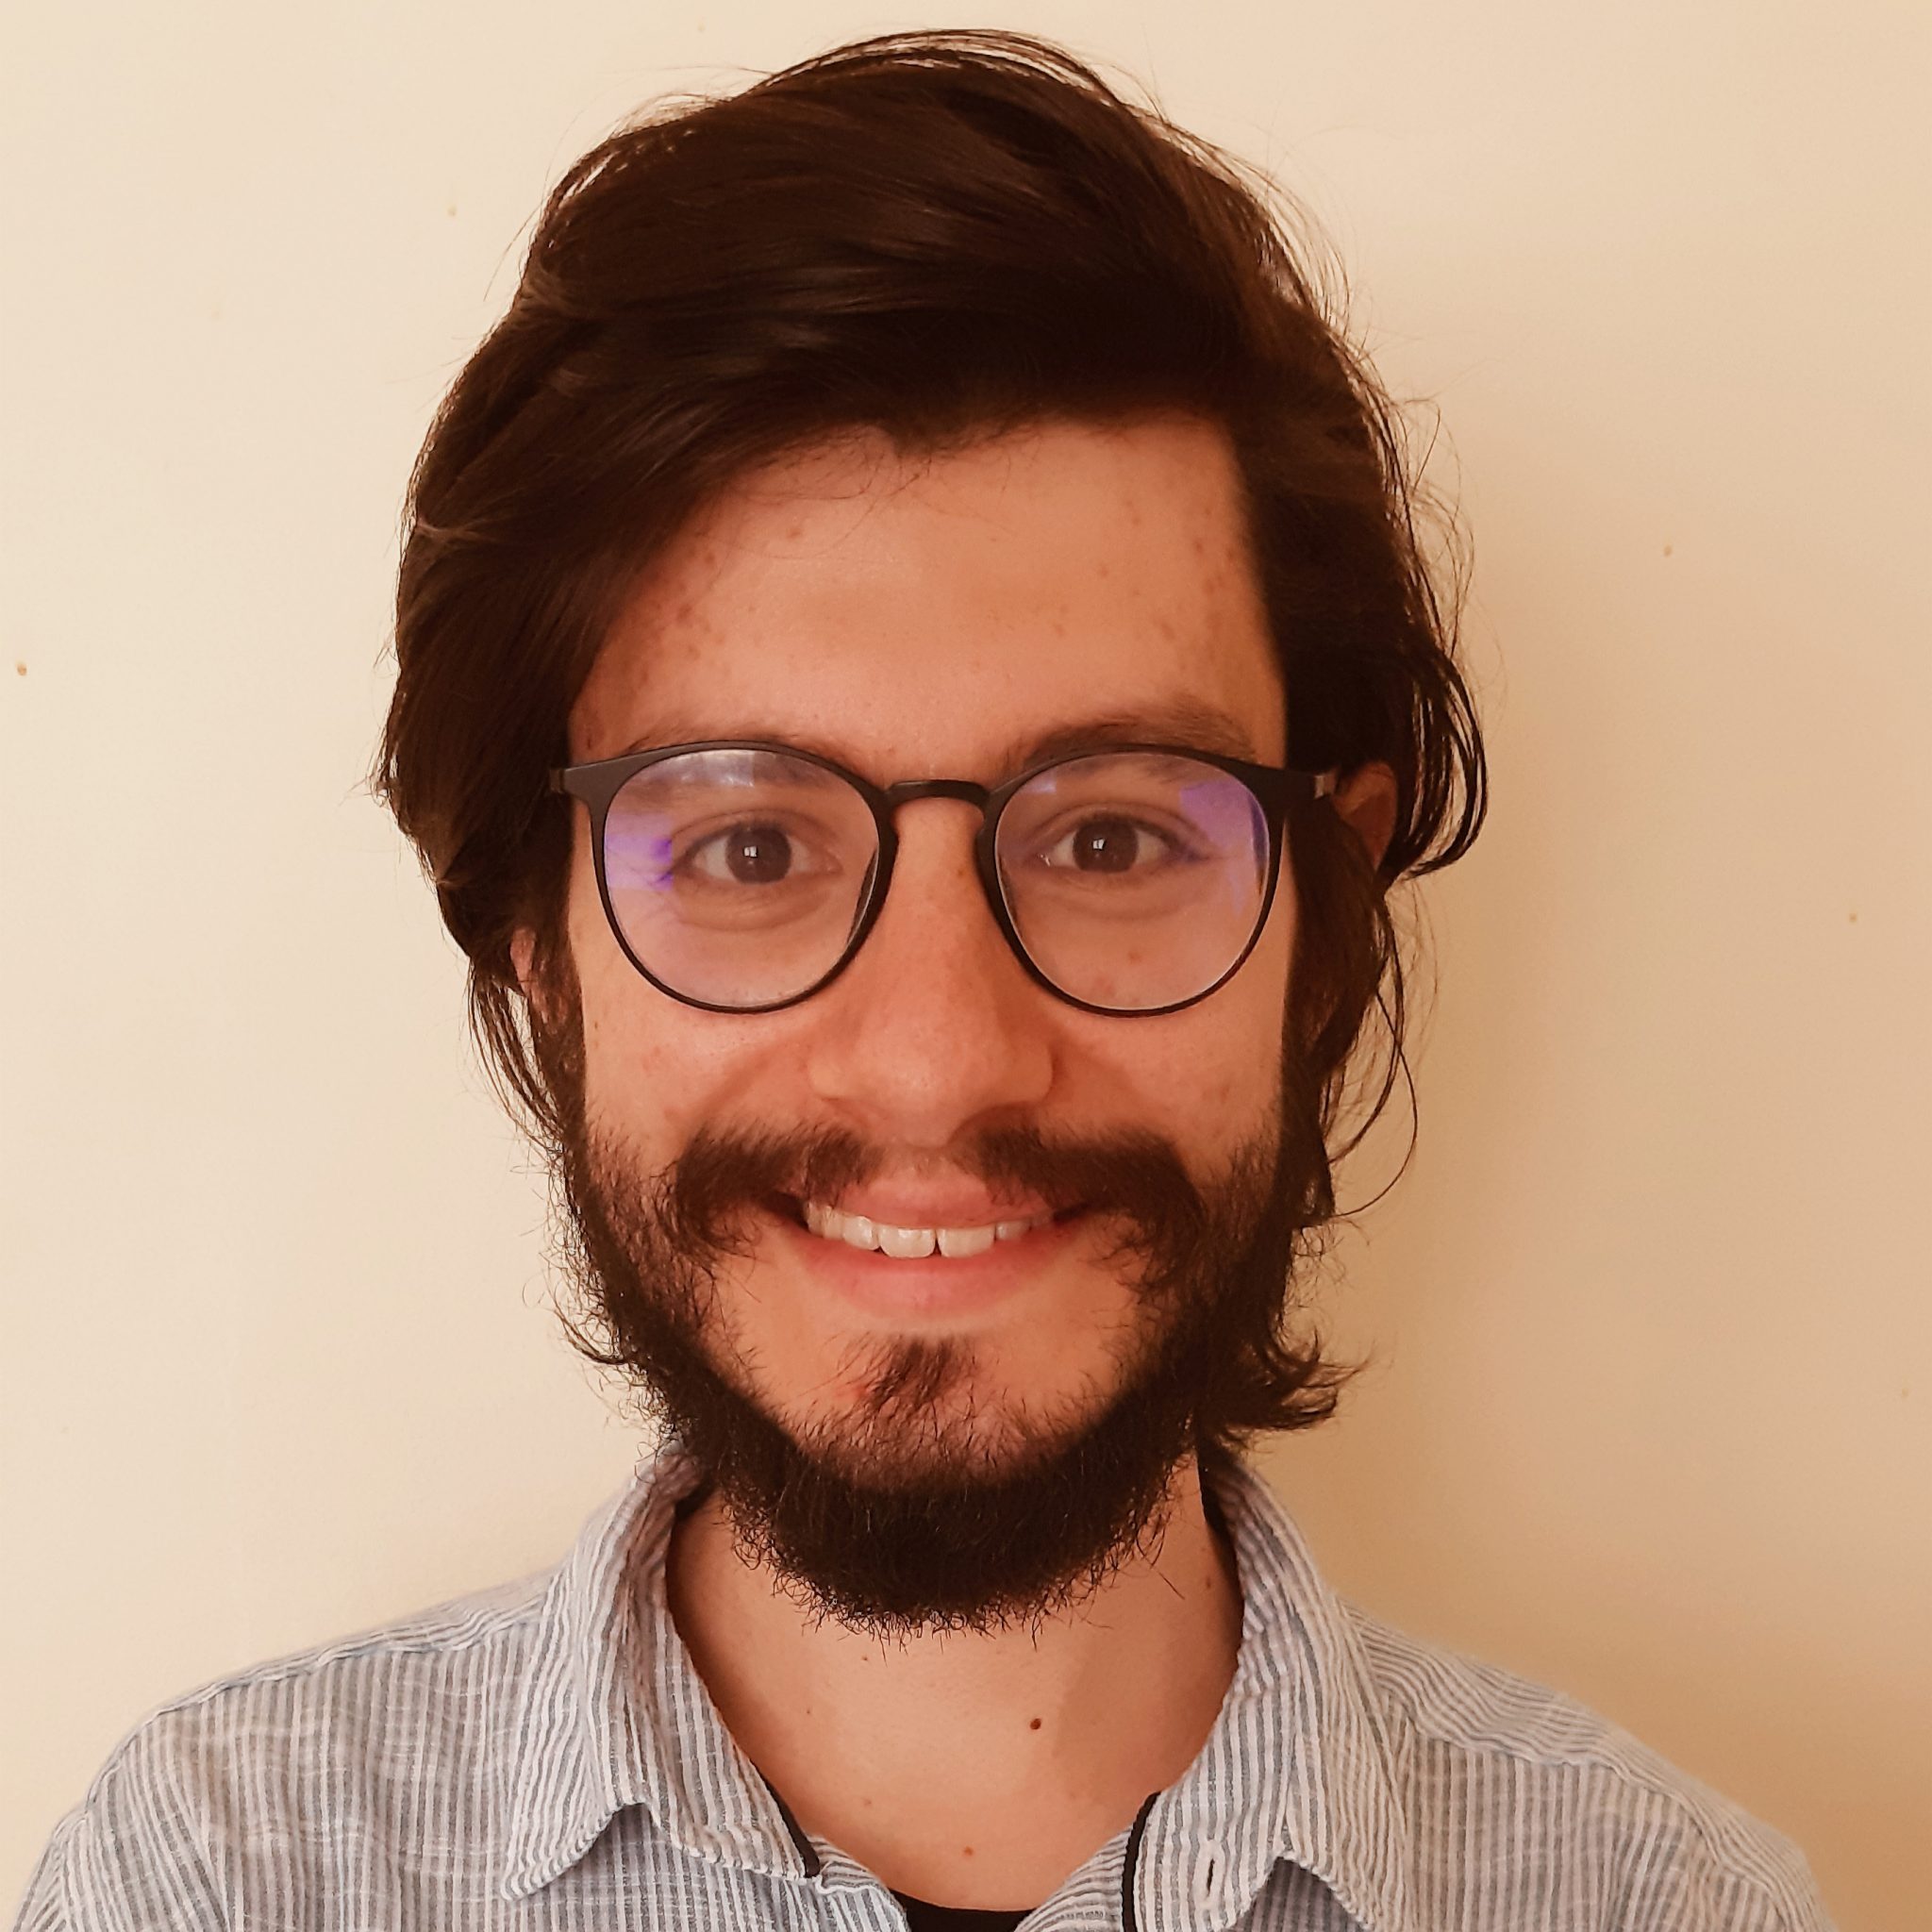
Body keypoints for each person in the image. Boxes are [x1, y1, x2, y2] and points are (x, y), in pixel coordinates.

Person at [13, 28, 1833, 1932]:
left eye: (1112, 838)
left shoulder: (1668, 1907)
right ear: (537, 950)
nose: (937, 1063)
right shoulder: (218, 1880)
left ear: (1325, 924)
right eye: (749, 848)